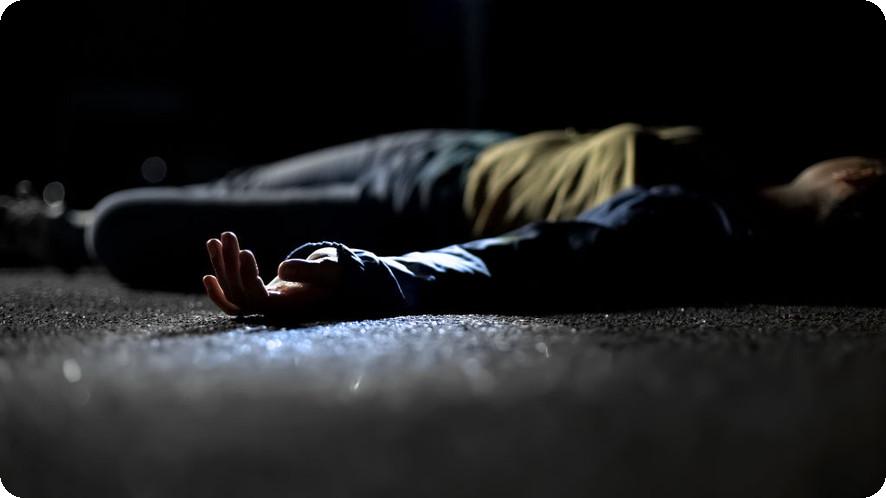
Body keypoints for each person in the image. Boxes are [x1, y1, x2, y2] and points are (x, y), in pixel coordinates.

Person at [3, 124, 884, 313]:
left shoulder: (702, 224)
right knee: (236, 180)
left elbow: (549, 252)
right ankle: (55, 221)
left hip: (412, 205)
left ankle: (51, 233)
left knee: (122, 228)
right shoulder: (730, 164)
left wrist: (366, 273)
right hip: (440, 150)